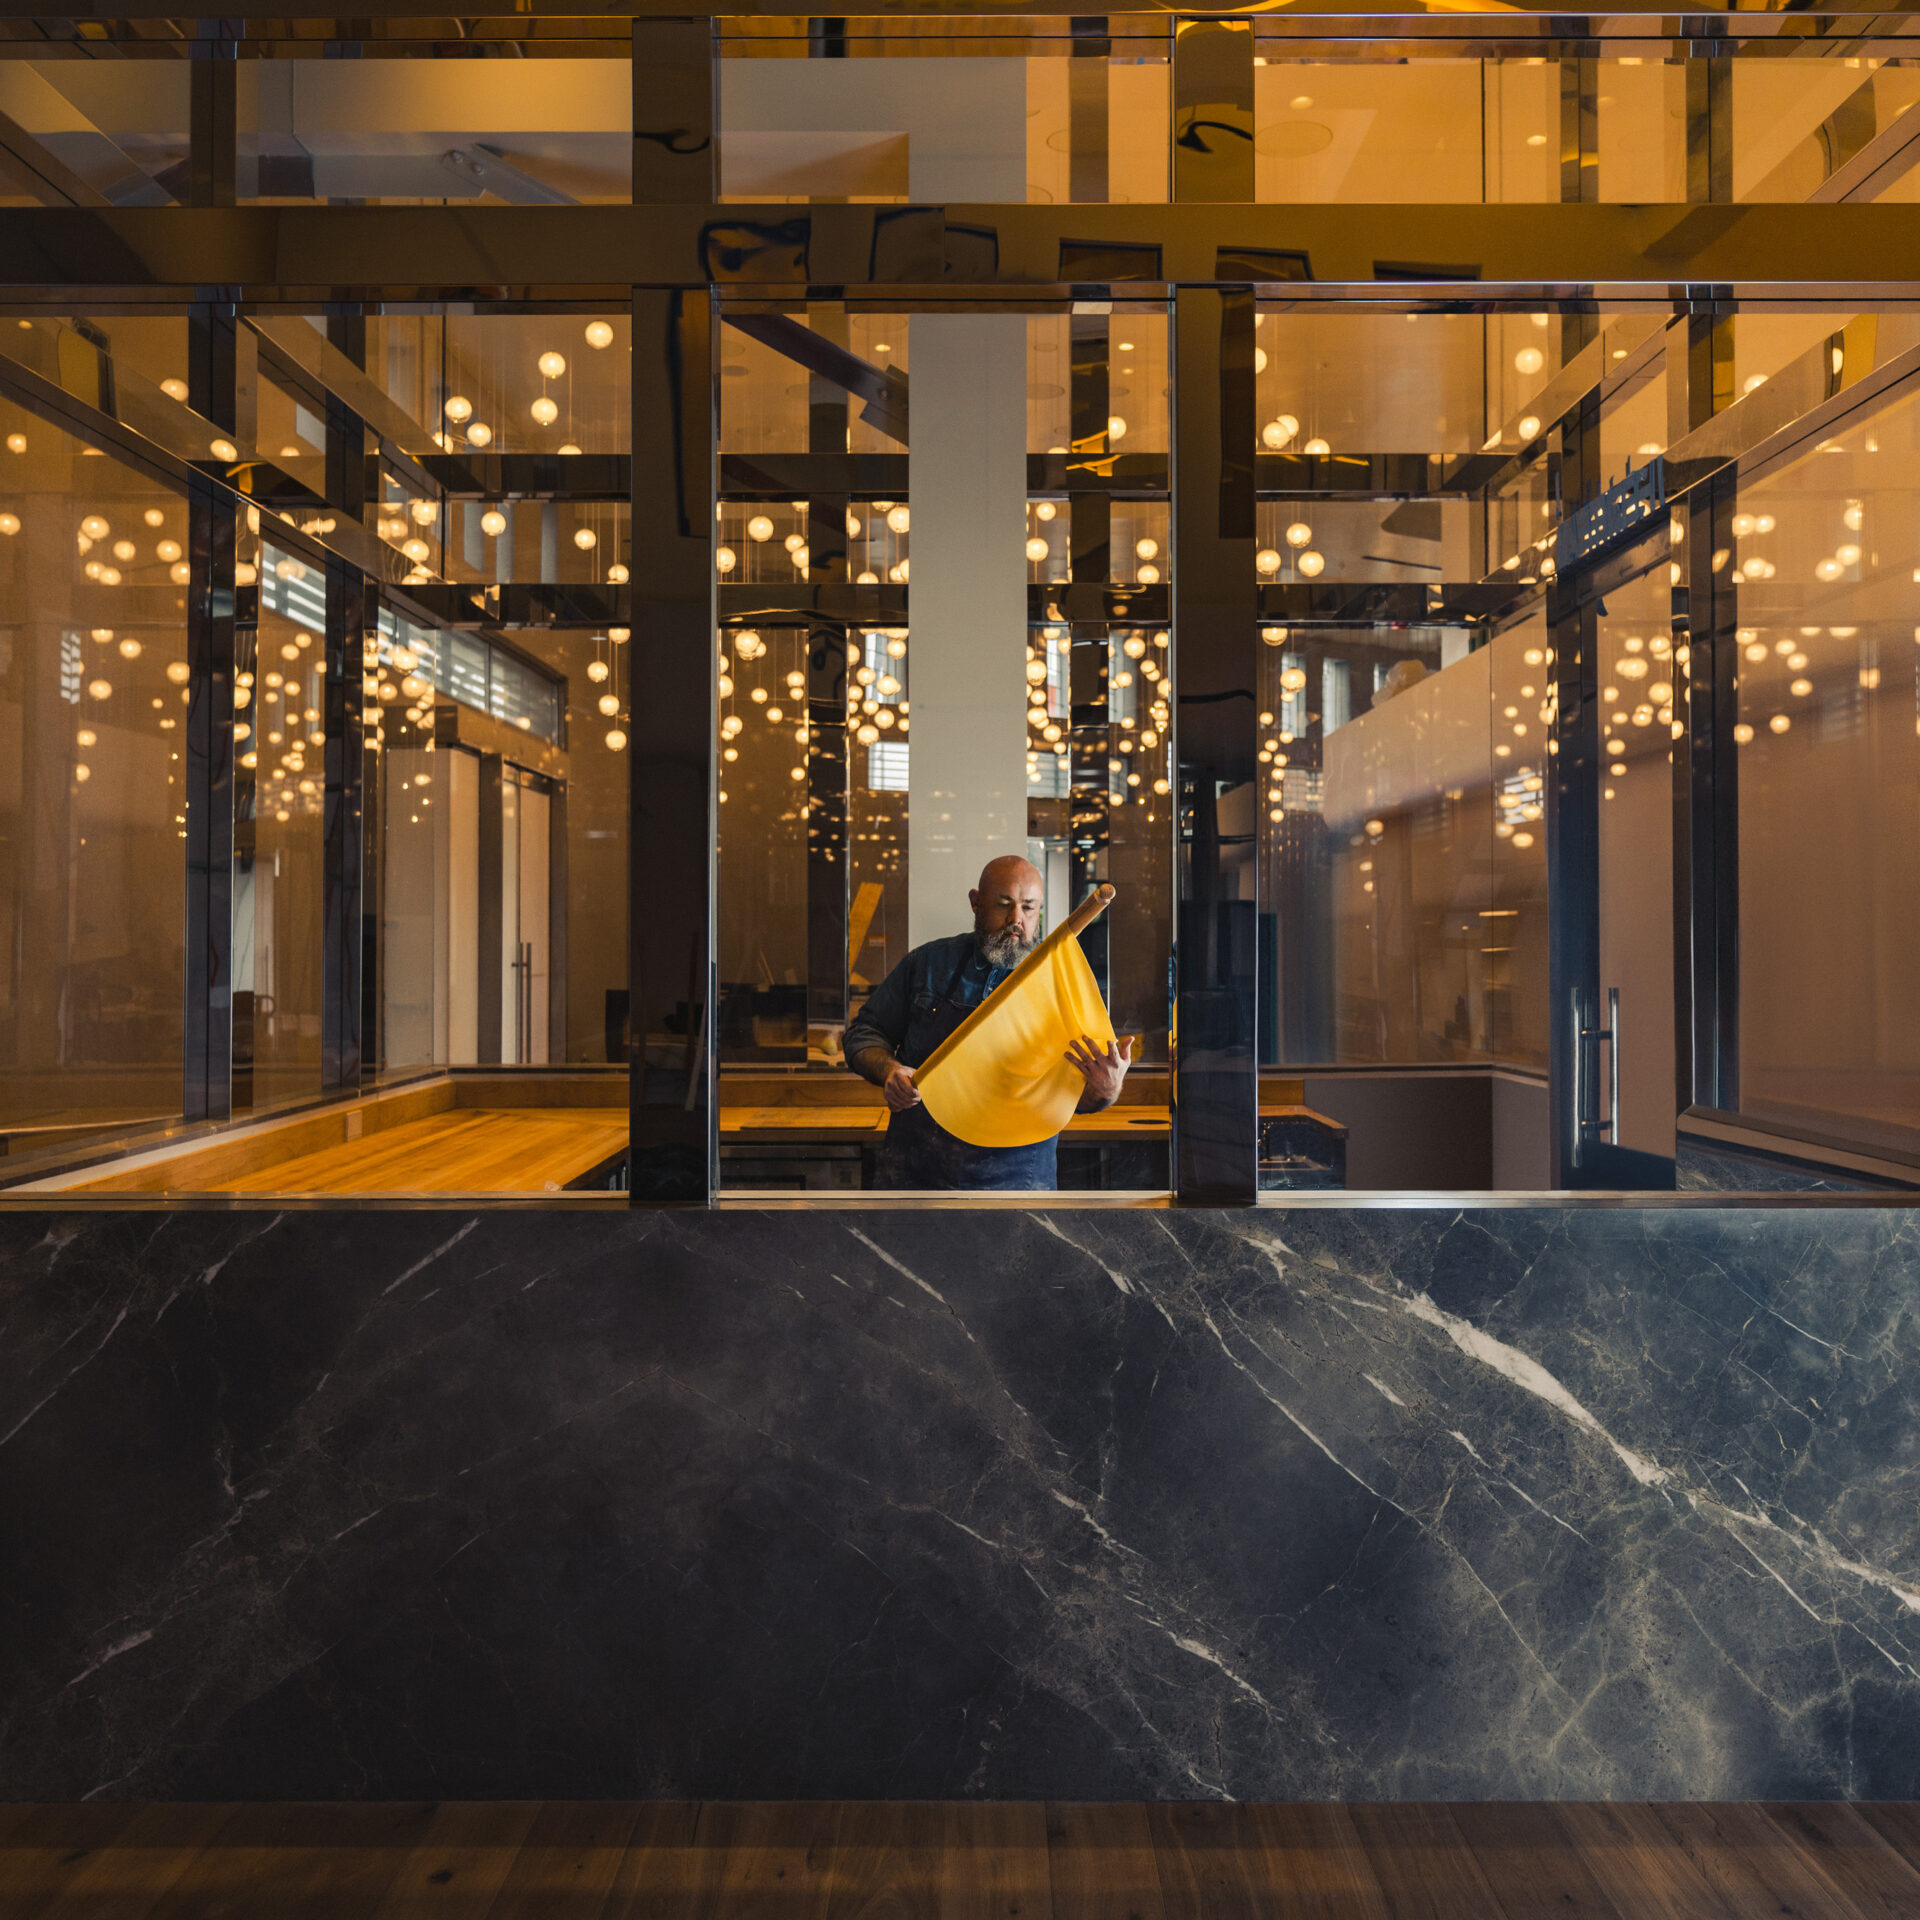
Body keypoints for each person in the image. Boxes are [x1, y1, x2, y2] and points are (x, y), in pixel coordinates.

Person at [845, 854, 1133, 1190]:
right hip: (919, 1172)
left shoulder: (1061, 987)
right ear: (975, 902)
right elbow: (863, 1034)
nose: (1016, 919)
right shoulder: (927, 964)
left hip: (1018, 1179)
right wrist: (890, 1071)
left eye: (1028, 907)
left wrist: (1107, 1089)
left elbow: (1074, 1100)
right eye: (1004, 904)